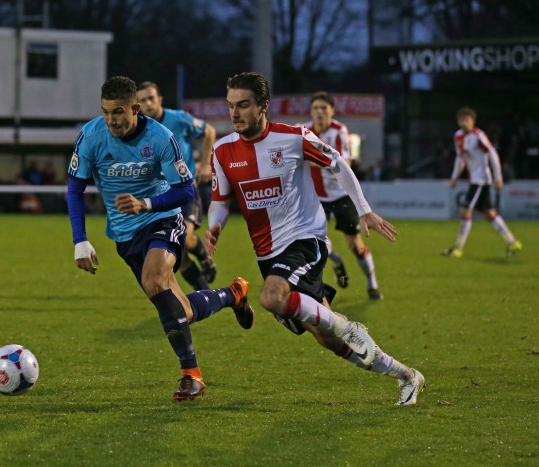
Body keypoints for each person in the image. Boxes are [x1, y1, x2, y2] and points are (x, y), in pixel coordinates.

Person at [205, 72, 425, 405]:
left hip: (305, 238)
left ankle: (348, 325)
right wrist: (215, 227)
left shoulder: (293, 137)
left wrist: (364, 209)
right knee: (326, 338)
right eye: (231, 106)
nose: (235, 113)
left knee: (271, 297)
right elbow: (220, 202)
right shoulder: (222, 151)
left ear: (263, 106)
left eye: (244, 105)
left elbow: (337, 163)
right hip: (268, 254)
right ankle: (406, 375)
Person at [67, 76, 254, 401]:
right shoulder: (91, 135)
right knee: (183, 310)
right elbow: (75, 188)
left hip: (163, 220)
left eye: (119, 112)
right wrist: (80, 239)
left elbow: (185, 190)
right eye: (106, 112)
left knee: (155, 279)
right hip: (125, 236)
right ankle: (232, 295)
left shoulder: (161, 137)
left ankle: (191, 374)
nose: (111, 120)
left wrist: (146, 204)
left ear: (135, 108)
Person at [300, 91, 383, 300]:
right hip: (315, 198)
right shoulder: (303, 132)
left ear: (332, 110)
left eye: (323, 108)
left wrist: (313, 161)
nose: (319, 112)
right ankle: (336, 262)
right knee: (313, 243)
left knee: (355, 244)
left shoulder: (340, 131)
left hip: (340, 195)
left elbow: (346, 164)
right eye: (315, 108)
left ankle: (372, 284)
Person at [136, 81, 218, 290]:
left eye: (151, 98)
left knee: (182, 239)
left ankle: (202, 255)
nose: (148, 103)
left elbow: (208, 131)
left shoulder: (178, 119)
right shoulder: (139, 131)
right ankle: (206, 294)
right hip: (162, 197)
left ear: (160, 99)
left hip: (186, 189)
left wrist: (206, 163)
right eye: (143, 100)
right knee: (176, 253)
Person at [442, 107, 522, 258]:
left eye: (467, 119)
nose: (464, 122)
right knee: (488, 213)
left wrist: (498, 178)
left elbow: (492, 154)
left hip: (481, 180)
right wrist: (454, 176)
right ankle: (513, 242)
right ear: (458, 122)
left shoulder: (478, 135)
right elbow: (460, 158)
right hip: (475, 179)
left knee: (465, 210)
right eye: (461, 120)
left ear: (473, 121)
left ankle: (457, 249)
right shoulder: (458, 136)